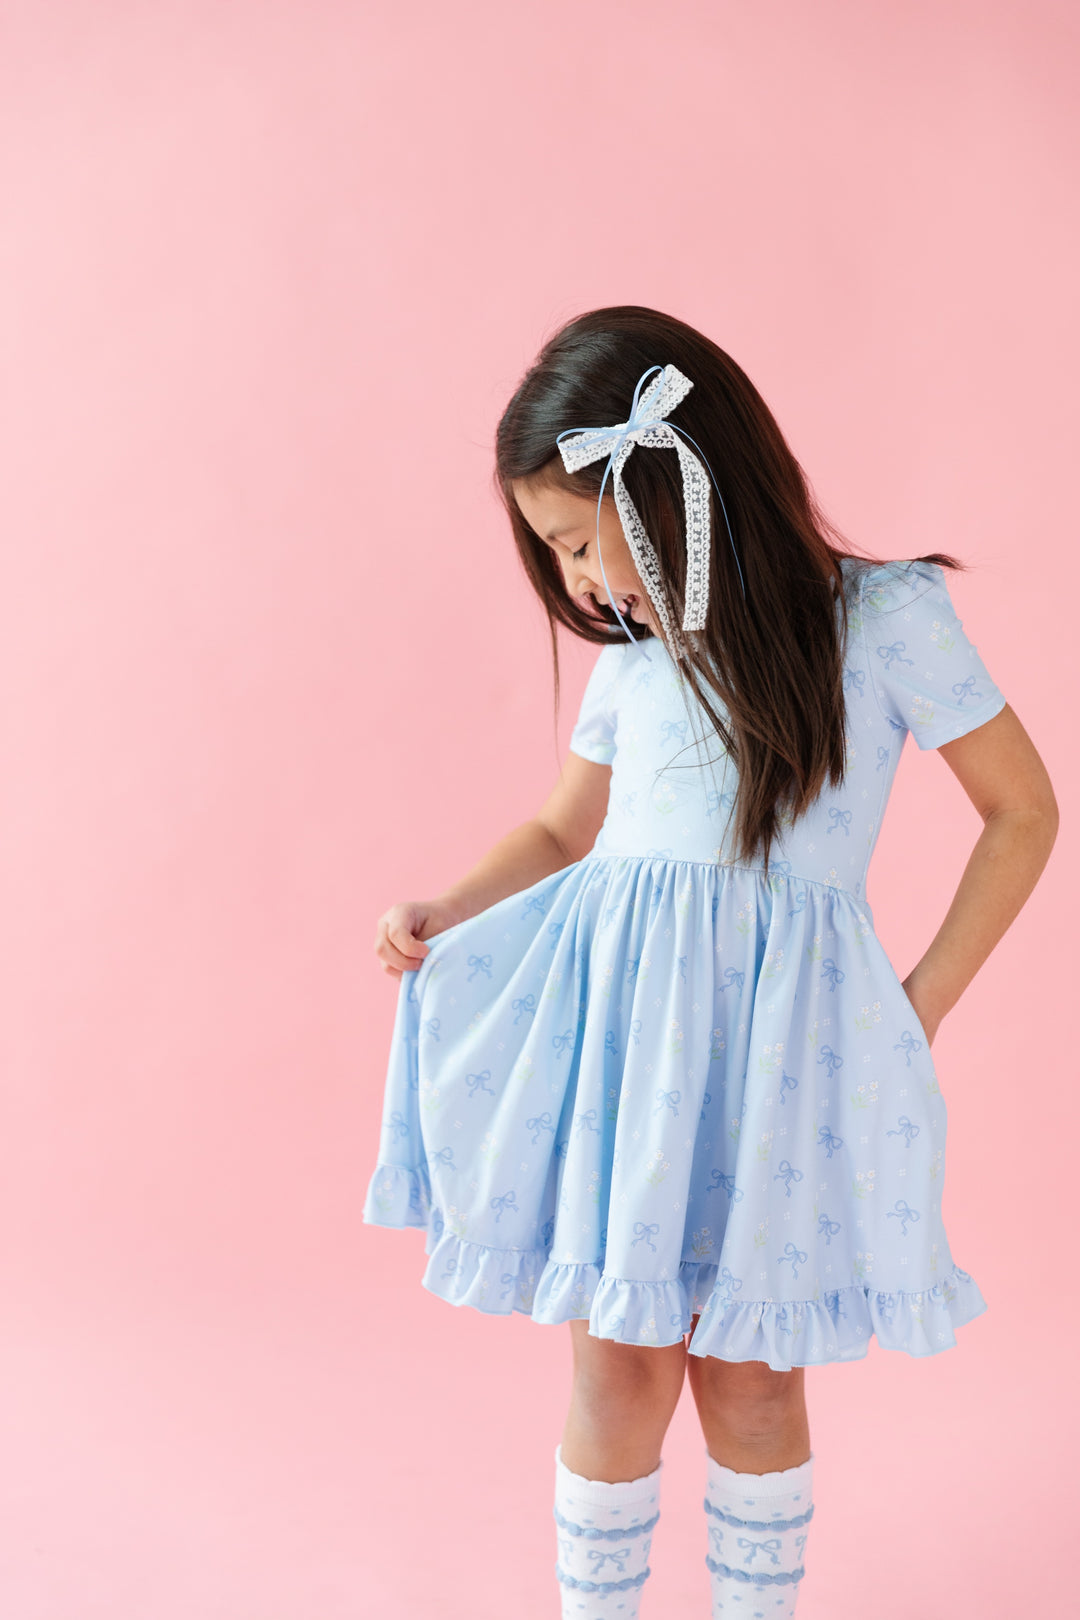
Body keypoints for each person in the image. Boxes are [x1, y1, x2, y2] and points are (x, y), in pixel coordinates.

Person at [364, 305, 1058, 1617]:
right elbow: (568, 829)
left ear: (670, 481)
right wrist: (448, 906)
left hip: (782, 1052)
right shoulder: (636, 663)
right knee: (616, 1364)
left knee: (751, 1374)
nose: (574, 581)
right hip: (629, 1051)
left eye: (576, 537)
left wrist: (914, 1011)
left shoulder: (883, 616)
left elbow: (1025, 811)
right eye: (552, 552)